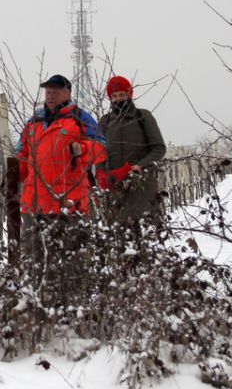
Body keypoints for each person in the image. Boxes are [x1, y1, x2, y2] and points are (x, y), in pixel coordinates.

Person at [15, 74, 106, 306]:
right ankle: (39, 303)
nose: (50, 94)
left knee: (72, 257)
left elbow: (102, 149)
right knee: (35, 257)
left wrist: (83, 149)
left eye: (56, 90)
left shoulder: (80, 118)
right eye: (48, 90)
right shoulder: (33, 122)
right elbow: (22, 154)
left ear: (68, 92)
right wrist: (13, 174)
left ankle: (74, 303)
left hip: (70, 201)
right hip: (35, 202)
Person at [99, 75, 167, 233]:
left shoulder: (142, 116)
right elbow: (99, 152)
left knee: (145, 232)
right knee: (118, 235)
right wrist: (101, 172)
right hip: (115, 188)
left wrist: (140, 166)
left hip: (142, 187)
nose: (118, 99)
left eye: (122, 95)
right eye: (114, 96)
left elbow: (159, 148)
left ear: (129, 95)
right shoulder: (105, 122)